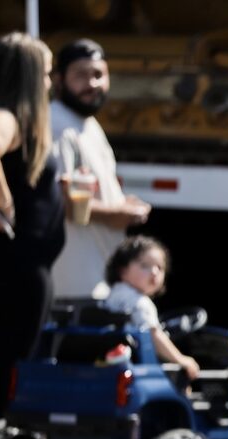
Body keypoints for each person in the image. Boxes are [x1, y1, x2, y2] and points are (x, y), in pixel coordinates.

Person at [50, 38, 151, 302]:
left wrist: (121, 204)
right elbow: (61, 202)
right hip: (75, 286)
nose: (92, 84)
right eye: (81, 75)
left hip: (99, 280)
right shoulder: (58, 125)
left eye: (98, 75)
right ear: (58, 80)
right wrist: (116, 213)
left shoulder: (88, 123)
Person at [0, 33, 65, 417]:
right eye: (45, 72)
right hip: (14, 272)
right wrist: (4, 201)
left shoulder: (27, 125)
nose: (49, 82)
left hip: (26, 272)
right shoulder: (10, 117)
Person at [104, 236, 199, 381]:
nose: (154, 272)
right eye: (145, 266)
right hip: (137, 372)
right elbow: (154, 335)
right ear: (122, 270)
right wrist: (182, 360)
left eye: (160, 268)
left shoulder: (113, 295)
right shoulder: (140, 302)